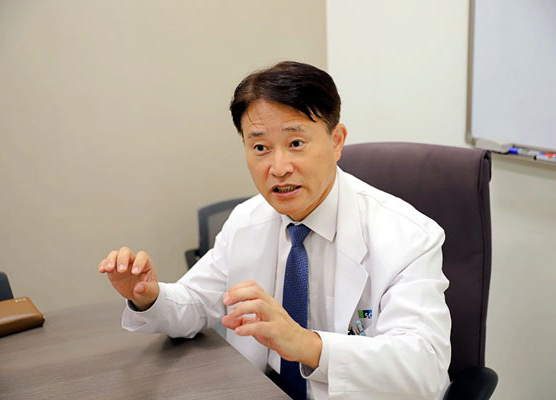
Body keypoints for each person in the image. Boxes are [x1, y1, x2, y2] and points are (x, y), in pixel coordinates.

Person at [97, 61, 451, 400]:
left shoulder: (408, 236)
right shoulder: (247, 220)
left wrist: (307, 345)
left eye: (296, 143)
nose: (278, 168)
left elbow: (424, 368)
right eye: (261, 148)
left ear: (336, 141)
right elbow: (196, 304)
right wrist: (148, 296)